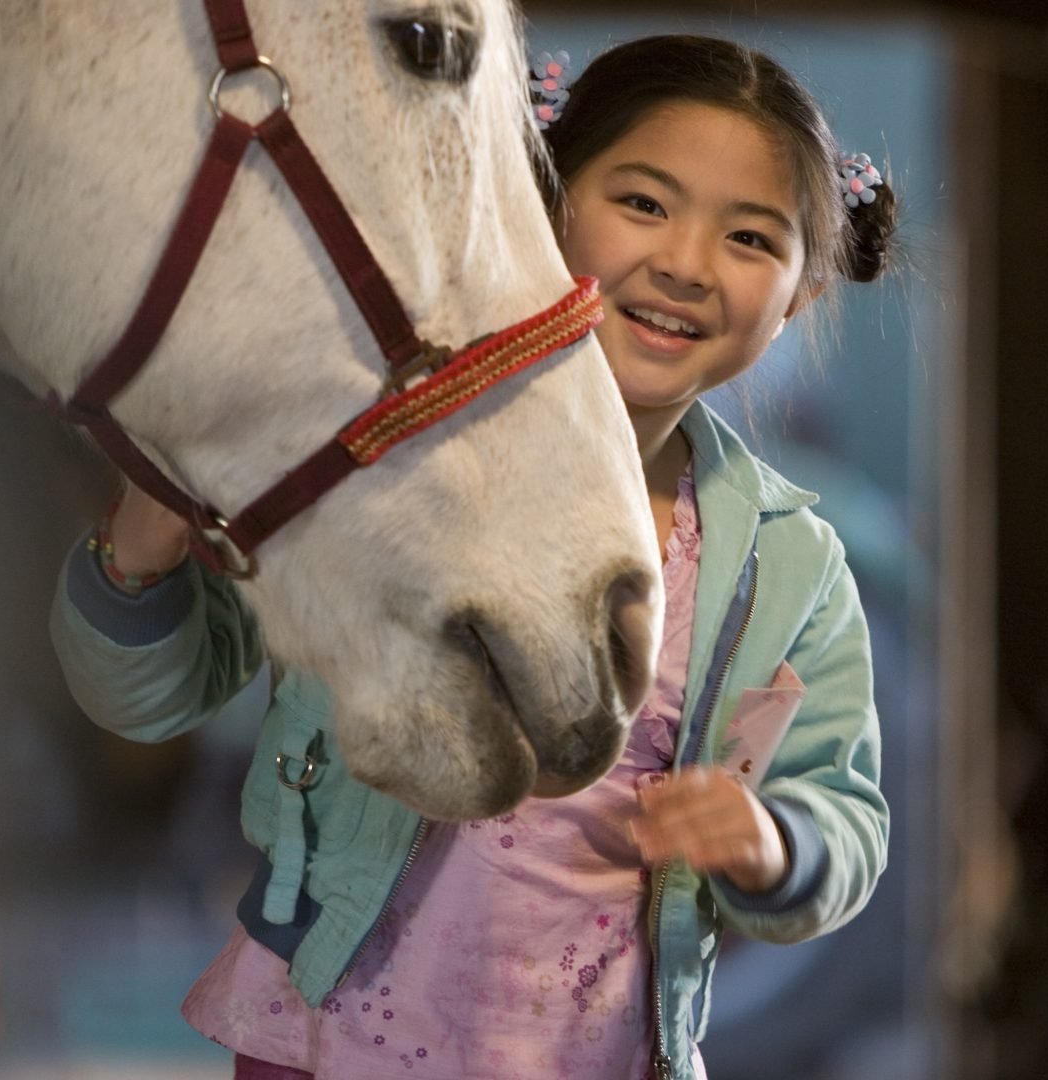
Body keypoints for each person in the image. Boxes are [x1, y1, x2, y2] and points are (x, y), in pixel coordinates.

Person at [50, 33, 897, 1080]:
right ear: (540, 206)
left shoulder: (793, 567)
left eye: (753, 238)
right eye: (643, 203)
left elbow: (843, 815)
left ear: (803, 293)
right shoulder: (375, 471)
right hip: (323, 1043)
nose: (684, 262)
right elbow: (144, 698)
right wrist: (139, 549)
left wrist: (774, 842)